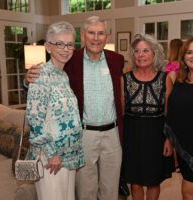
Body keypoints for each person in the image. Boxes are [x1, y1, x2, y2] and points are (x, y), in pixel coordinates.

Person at [25, 16, 124, 200]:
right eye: (91, 33)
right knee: (85, 191)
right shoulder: (71, 59)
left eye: (101, 33)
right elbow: (37, 107)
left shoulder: (117, 60)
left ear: (107, 36)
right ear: (83, 36)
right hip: (83, 136)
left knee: (110, 190)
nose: (96, 38)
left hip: (111, 134)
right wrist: (27, 80)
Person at [26, 21, 85, 200]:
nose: (65, 49)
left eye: (69, 44)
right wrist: (52, 154)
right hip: (51, 158)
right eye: (59, 43)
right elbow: (35, 119)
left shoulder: (63, 75)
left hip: (68, 156)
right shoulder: (41, 74)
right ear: (48, 47)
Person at [121, 34, 174, 200]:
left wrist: (168, 140)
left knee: (153, 181)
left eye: (145, 50)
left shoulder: (165, 79)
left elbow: (170, 114)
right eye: (137, 51)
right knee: (135, 182)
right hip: (132, 135)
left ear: (154, 54)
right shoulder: (124, 79)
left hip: (156, 136)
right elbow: (121, 111)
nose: (141, 55)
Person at [165, 37, 193, 200]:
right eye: (189, 52)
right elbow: (172, 111)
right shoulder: (179, 80)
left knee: (189, 193)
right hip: (184, 148)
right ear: (183, 56)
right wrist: (169, 138)